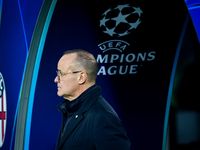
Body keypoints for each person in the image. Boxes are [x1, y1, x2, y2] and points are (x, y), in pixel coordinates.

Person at [54, 49, 131, 150]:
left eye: (62, 73)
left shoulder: (103, 117)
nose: (56, 79)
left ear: (81, 77)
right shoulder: (71, 110)